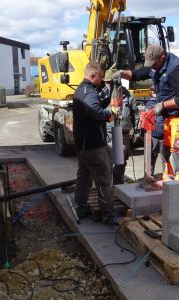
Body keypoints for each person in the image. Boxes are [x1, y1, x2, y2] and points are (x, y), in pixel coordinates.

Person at [113, 45, 179, 181]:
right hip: (170, 117)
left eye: (154, 64)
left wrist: (162, 105)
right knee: (166, 151)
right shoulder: (155, 64)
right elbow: (136, 75)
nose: (152, 67)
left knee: (178, 154)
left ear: (162, 58)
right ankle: (169, 183)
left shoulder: (177, 69)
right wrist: (122, 73)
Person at [72, 62, 117, 225]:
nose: (102, 79)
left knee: (84, 176)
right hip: (93, 146)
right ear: (92, 76)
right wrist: (111, 113)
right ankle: (108, 215)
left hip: (82, 145)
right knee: (104, 179)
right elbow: (95, 111)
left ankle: (81, 207)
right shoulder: (89, 93)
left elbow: (93, 108)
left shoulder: (80, 90)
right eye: (100, 77)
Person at [107, 85, 139, 185]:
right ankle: (109, 184)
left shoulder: (128, 96)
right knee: (109, 161)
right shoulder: (104, 95)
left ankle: (118, 184)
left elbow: (135, 114)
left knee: (120, 161)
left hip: (122, 132)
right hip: (110, 131)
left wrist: (136, 130)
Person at [144, 86, 164, 176]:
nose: (155, 93)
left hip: (164, 133)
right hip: (153, 134)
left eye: (157, 91)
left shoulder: (164, 103)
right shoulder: (149, 103)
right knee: (151, 156)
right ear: (151, 92)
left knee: (165, 158)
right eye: (154, 91)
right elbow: (146, 118)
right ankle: (149, 176)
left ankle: (166, 176)